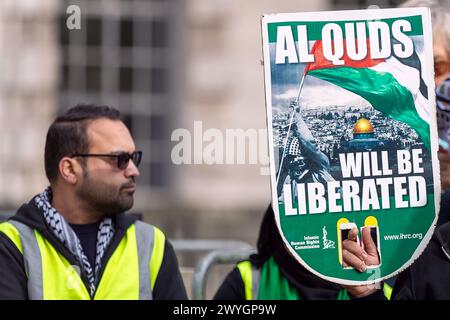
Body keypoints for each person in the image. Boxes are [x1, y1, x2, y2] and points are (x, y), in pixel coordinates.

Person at [0, 104, 187, 300]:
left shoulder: (151, 244)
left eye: (134, 158)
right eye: (120, 159)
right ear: (70, 170)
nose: (133, 170)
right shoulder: (12, 245)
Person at [213, 205, 392, 300]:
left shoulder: (376, 288)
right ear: (277, 228)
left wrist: (367, 297)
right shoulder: (249, 280)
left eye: (319, 222)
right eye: (297, 224)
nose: (309, 235)